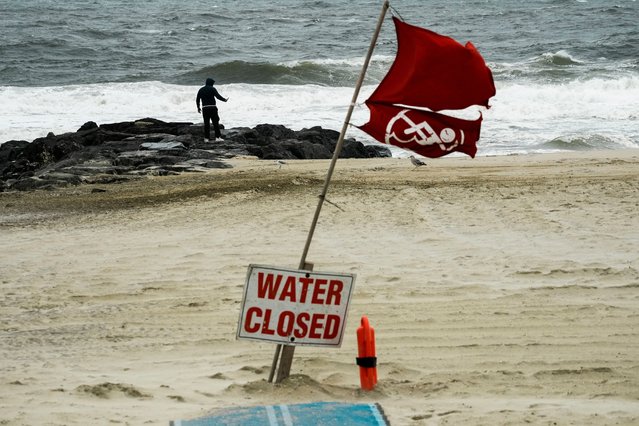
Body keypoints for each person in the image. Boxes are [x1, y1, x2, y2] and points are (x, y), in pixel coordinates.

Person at [196, 78, 228, 142]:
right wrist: (224, 100)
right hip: (212, 108)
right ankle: (218, 137)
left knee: (206, 123)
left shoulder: (201, 89)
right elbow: (218, 96)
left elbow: (197, 99)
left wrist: (198, 107)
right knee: (215, 122)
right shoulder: (212, 89)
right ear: (211, 83)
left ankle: (206, 138)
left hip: (205, 108)